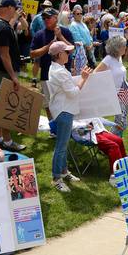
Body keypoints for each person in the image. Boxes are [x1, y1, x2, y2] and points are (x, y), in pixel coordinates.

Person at [47, 41, 91, 192]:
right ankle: (56, 178)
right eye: (66, 52)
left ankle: (64, 172)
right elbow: (72, 93)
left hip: (63, 111)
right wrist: (84, 79)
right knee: (61, 146)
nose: (69, 54)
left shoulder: (58, 69)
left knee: (63, 145)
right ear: (59, 55)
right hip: (64, 112)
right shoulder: (59, 72)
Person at [0, 0, 25, 151]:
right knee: (7, 108)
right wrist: (14, 77)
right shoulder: (3, 28)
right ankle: (8, 142)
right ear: (9, 8)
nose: (16, 11)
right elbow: (4, 55)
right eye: (15, 9)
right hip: (4, 72)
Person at [31, 7, 74, 121]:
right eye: (44, 17)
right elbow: (32, 54)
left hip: (64, 73)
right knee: (49, 103)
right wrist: (48, 47)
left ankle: (62, 124)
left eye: (48, 17)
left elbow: (72, 49)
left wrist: (60, 37)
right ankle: (53, 125)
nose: (45, 20)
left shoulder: (65, 31)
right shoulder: (39, 34)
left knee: (64, 101)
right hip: (46, 74)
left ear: (56, 18)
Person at [94, 36, 128, 134]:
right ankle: (113, 142)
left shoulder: (119, 58)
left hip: (123, 93)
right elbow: (95, 74)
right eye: (124, 45)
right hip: (114, 94)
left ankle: (115, 142)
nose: (126, 47)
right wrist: (106, 86)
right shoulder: (108, 59)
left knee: (123, 122)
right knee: (120, 123)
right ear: (118, 47)